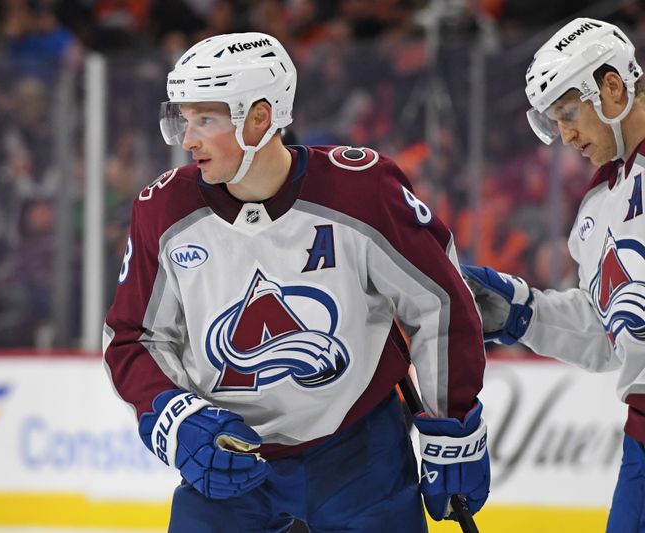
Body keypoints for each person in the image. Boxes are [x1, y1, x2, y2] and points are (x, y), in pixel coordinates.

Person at [103, 32, 490, 532]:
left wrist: (452, 421)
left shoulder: (363, 192)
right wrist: (175, 418)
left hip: (360, 457)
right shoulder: (163, 211)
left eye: (206, 119)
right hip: (226, 461)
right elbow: (134, 336)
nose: (188, 138)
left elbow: (439, 304)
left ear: (260, 117)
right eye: (182, 118)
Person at [461, 17, 645, 533]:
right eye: (553, 120)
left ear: (612, 87)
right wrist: (524, 312)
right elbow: (612, 334)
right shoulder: (598, 207)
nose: (563, 135)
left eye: (568, 113)